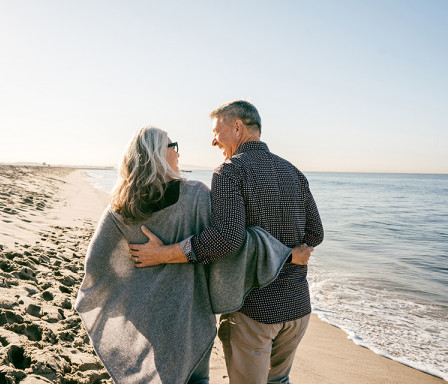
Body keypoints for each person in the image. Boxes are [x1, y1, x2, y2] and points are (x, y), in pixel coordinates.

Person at [75, 126, 312, 384]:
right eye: (172, 146)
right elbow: (233, 243)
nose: (177, 154)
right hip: (191, 312)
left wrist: (127, 294)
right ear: (157, 154)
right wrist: (287, 255)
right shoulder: (196, 196)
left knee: (162, 375)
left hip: (146, 312)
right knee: (196, 378)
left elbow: (96, 266)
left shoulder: (121, 206)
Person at [129, 101, 324, 384]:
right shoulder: (293, 171)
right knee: (279, 381)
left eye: (217, 132)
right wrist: (289, 253)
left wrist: (162, 254)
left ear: (237, 127)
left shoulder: (230, 171)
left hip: (254, 309)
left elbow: (225, 239)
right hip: (298, 308)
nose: (212, 141)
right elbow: (316, 234)